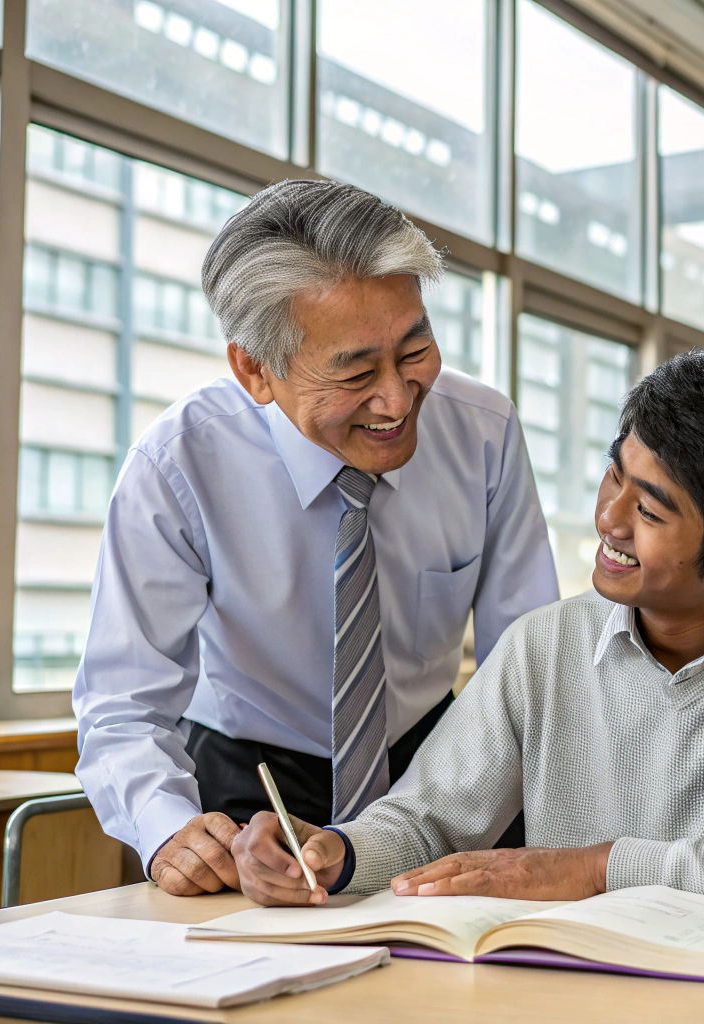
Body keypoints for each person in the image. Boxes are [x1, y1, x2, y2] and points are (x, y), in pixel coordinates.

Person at [233, 349, 704, 939]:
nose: (609, 518)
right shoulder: (545, 648)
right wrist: (340, 852)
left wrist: (606, 868)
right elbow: (427, 820)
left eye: (649, 508)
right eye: (616, 473)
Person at [73, 180, 558, 897]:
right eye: (356, 372)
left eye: (416, 349)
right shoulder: (180, 464)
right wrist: (167, 827)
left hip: (434, 765)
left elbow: (530, 660)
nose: (396, 401)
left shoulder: (482, 432)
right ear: (254, 370)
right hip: (252, 781)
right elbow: (123, 699)